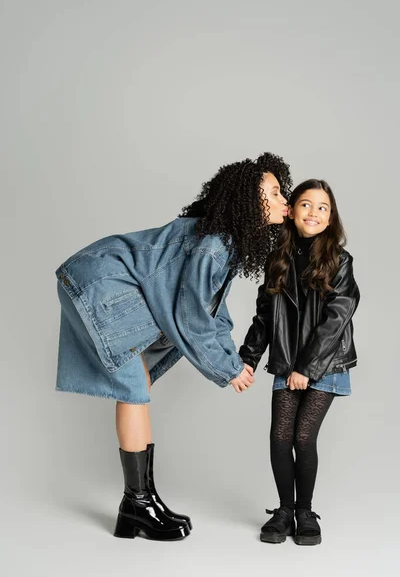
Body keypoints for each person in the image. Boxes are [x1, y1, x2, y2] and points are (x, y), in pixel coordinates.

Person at [55, 152, 292, 541]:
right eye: (274, 192)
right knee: (134, 388)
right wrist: (228, 369)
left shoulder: (222, 243)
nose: (284, 199)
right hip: (97, 282)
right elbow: (191, 317)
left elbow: (213, 310)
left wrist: (231, 358)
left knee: (138, 384)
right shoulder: (213, 245)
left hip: (98, 277)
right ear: (248, 201)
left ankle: (139, 504)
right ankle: (138, 504)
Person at [239, 179, 360, 546]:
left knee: (304, 437)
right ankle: (285, 511)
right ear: (291, 211)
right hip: (286, 360)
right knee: (280, 436)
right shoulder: (277, 257)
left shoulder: (340, 260)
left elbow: (338, 317)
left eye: (322, 207)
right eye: (306, 204)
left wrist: (305, 368)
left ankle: (305, 512)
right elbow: (264, 314)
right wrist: (247, 357)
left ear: (330, 216)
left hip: (325, 362)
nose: (314, 212)